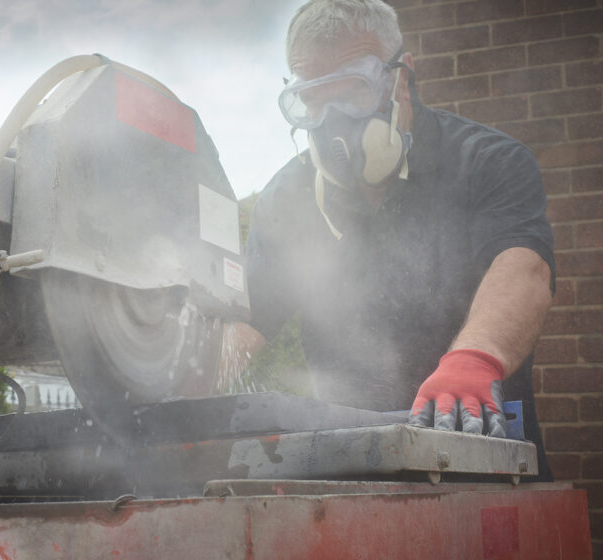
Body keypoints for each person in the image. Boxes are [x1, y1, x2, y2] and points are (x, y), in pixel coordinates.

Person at [238, 0, 555, 479]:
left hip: (484, 465)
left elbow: (524, 268)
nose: (333, 125)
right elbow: (246, 322)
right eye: (315, 102)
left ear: (401, 75)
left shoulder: (486, 160)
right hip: (348, 473)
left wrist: (474, 359)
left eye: (355, 92)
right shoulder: (288, 198)